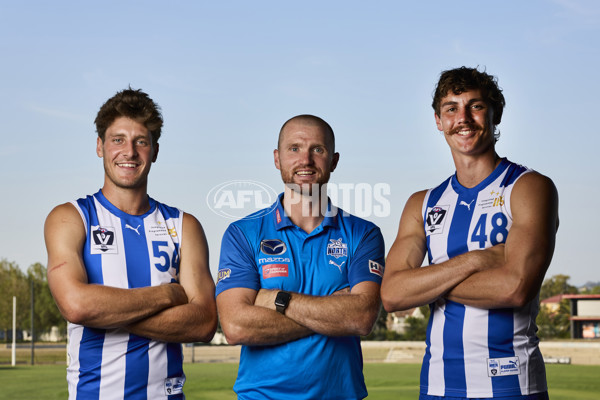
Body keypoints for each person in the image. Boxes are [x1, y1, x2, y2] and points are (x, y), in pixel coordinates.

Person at [381, 67, 559, 400]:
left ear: (496, 113)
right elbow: (391, 294)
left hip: (511, 385)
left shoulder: (528, 188)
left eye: (475, 106)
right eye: (451, 108)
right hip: (437, 386)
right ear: (438, 120)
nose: (462, 118)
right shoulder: (422, 203)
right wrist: (478, 259)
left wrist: (424, 286)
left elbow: (515, 288)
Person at [44, 88, 218, 399]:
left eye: (141, 141)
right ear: (100, 146)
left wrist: (109, 312)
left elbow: (204, 322)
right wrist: (168, 293)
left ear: (155, 149)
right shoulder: (71, 218)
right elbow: (77, 305)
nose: (130, 152)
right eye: (118, 140)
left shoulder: (184, 226)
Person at [215, 114, 385, 399]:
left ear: (334, 160)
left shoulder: (363, 233)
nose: (305, 160)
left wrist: (276, 299)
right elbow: (236, 326)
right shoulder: (242, 233)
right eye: (294, 148)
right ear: (277, 158)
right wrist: (333, 314)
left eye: (317, 149)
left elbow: (361, 318)